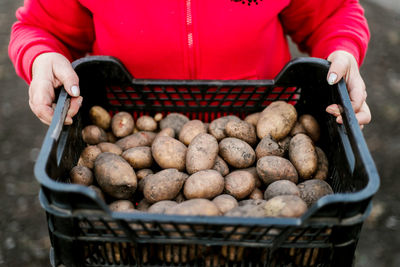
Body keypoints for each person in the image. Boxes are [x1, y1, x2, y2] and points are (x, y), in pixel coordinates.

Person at [9, 0, 371, 127]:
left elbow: (331, 14)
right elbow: (40, 28)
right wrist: (42, 55)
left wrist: (342, 51)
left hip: (263, 135)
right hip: (129, 140)